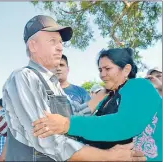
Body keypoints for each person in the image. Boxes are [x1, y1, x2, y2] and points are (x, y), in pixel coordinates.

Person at [3, 15, 145, 161]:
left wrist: (101, 95)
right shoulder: (23, 77)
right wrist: (108, 156)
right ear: (33, 46)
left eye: (60, 42)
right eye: (52, 41)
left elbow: (72, 116)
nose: (60, 47)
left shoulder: (54, 84)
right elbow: (46, 139)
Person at [32, 48, 162, 161]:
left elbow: (124, 124)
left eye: (107, 69)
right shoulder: (106, 100)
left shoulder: (138, 86)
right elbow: (94, 130)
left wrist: (67, 124)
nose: (102, 75)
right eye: (100, 70)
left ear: (126, 69)